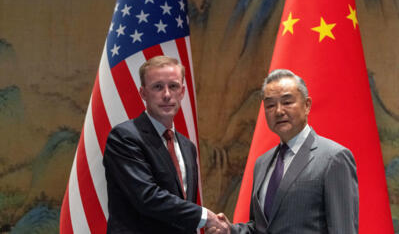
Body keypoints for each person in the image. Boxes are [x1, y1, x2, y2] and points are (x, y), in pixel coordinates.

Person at [209, 69, 359, 234]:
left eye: (287, 102)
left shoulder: (333, 158)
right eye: (270, 105)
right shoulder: (262, 163)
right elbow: (261, 228)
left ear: (307, 105)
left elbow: (343, 229)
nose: (279, 111)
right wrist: (230, 230)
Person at [103, 56, 228, 234]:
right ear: (143, 93)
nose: (167, 94)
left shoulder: (187, 146)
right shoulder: (124, 137)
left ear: (182, 92)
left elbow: (183, 208)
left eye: (173, 86)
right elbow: (147, 197)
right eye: (158, 87)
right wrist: (205, 217)